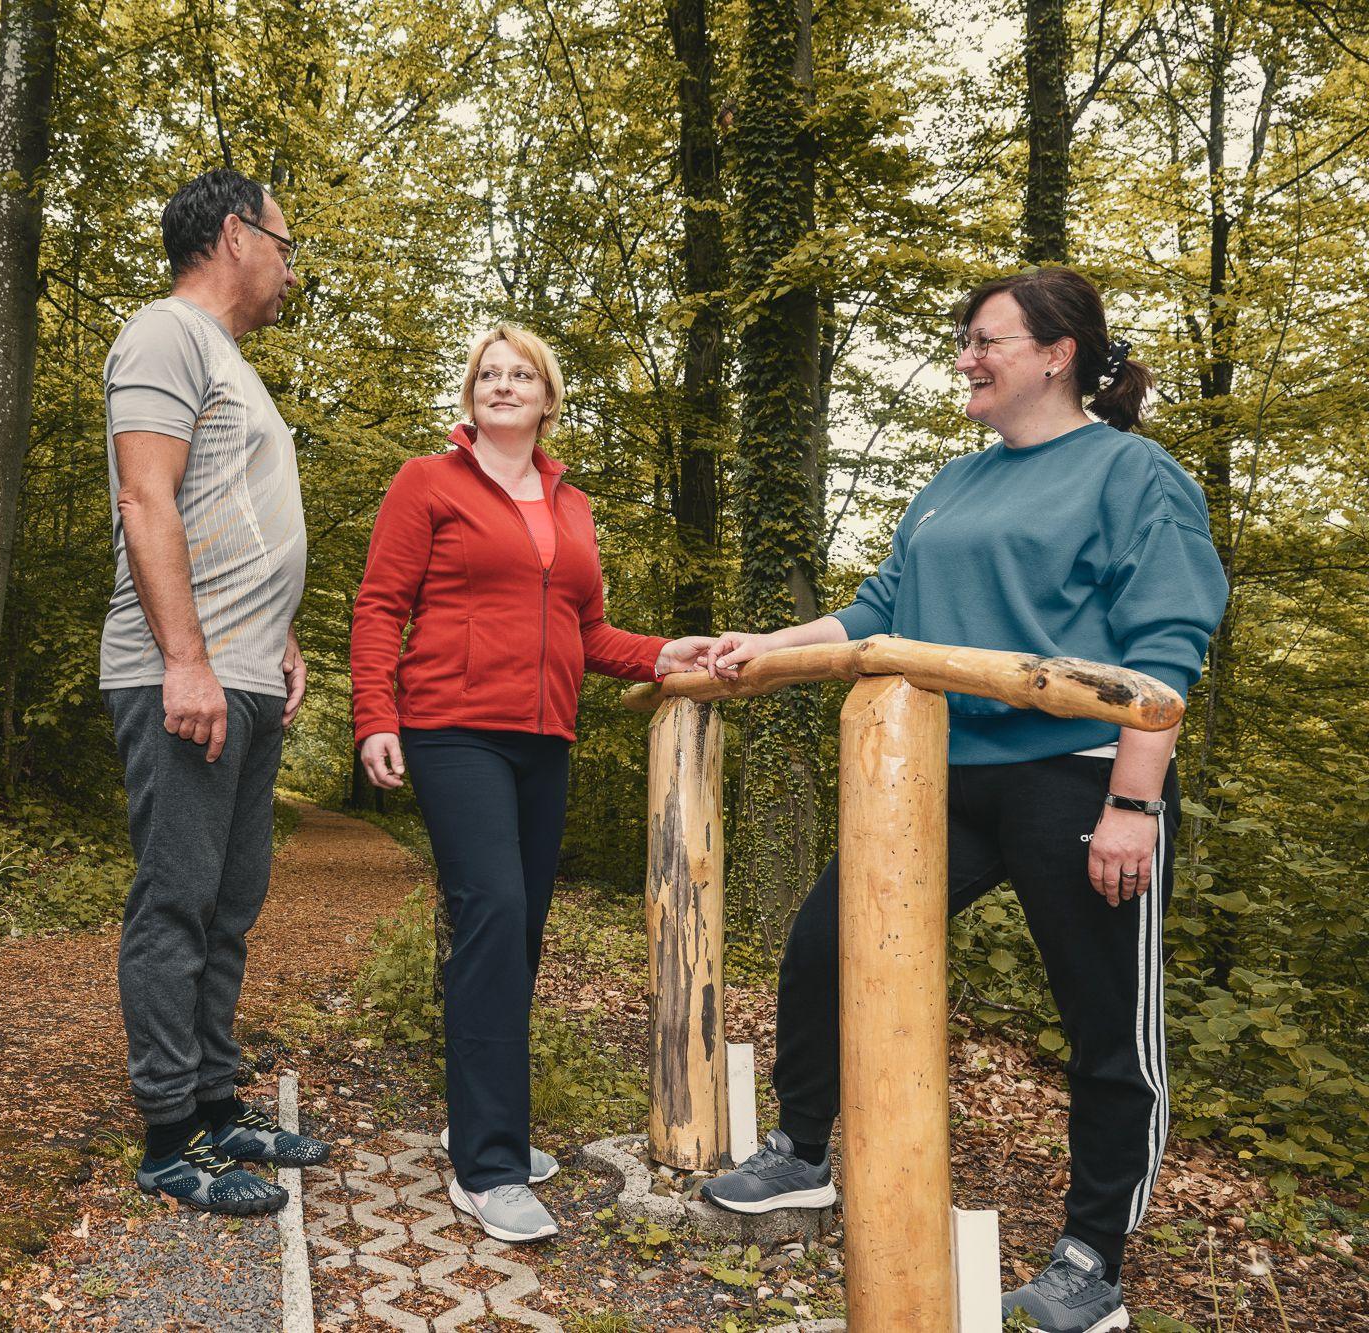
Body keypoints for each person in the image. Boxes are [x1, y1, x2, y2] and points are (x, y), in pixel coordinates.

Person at [696, 267, 1228, 1332]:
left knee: (1103, 1023)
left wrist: (1132, 803)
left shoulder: (1134, 474)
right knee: (822, 945)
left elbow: (1165, 646)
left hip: (1078, 776)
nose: (964, 358)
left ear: (1055, 353)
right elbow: (878, 609)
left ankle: (1091, 1258)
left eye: (984, 340)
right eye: (963, 340)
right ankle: (802, 1150)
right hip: (938, 775)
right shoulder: (953, 480)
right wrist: (763, 647)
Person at [350, 323, 714, 1243]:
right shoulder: (426, 482)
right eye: (488, 373)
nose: (502, 384)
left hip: (545, 737)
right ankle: (489, 1165)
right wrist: (375, 715)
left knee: (517, 936)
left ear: (549, 399)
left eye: (522, 374)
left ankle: (478, 1118)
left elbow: (587, 633)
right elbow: (381, 604)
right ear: (471, 394)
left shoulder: (572, 503)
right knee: (494, 914)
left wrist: (667, 652)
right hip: (451, 728)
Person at [101, 167, 329, 1216]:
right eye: (286, 245)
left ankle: (213, 1099)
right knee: (177, 904)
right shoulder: (166, 334)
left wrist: (274, 636)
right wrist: (184, 659)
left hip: (241, 675)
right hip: (179, 677)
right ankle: (165, 1141)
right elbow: (146, 496)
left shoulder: (232, 365)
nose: (291, 269)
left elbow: (226, 517)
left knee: (229, 906)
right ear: (235, 235)